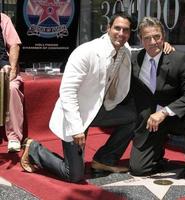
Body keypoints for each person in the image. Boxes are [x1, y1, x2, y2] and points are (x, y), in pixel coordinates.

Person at [20, 12, 172, 183]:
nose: (121, 33)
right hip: (75, 115)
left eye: (126, 30)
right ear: (108, 28)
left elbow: (142, 50)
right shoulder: (86, 52)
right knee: (74, 175)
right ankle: (34, 149)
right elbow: (67, 92)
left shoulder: (124, 50)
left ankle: (104, 160)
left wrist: (161, 45)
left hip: (98, 110)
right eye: (117, 28)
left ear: (130, 34)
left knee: (134, 116)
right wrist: (76, 128)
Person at [129, 17, 185, 188]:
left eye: (157, 36)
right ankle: (157, 154)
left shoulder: (180, 59)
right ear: (140, 40)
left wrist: (164, 112)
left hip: (175, 117)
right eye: (147, 38)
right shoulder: (133, 59)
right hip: (150, 122)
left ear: (163, 37)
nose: (152, 42)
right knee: (138, 169)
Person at [0, 12, 23, 153]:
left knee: (12, 88)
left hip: (4, 66)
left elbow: (14, 45)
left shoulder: (3, 19)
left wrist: (12, 69)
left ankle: (14, 136)